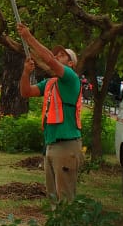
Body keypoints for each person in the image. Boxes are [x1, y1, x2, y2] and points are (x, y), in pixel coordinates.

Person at [16, 22, 83, 201]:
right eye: (57, 54)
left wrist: (28, 38)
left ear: (71, 64)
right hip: (51, 145)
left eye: (63, 55)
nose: (57, 56)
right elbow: (26, 92)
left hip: (66, 145)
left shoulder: (71, 77)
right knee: (52, 197)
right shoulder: (50, 83)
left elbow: (49, 60)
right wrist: (25, 73)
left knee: (65, 199)